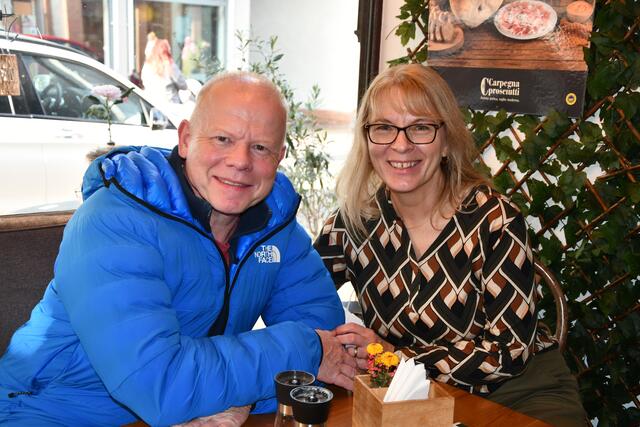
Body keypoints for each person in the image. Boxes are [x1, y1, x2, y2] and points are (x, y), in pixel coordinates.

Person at [0, 71, 357, 426]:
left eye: (260, 147)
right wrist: (290, 357)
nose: (240, 161)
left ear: (279, 157)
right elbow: (159, 384)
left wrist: (236, 393)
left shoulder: (276, 226)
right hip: (47, 411)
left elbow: (328, 344)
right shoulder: (115, 222)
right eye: (222, 139)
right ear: (186, 139)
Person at [313, 64, 586, 426]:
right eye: (384, 128)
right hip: (408, 395)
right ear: (367, 140)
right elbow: (296, 294)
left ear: (446, 140)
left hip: (518, 392)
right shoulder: (353, 222)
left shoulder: (495, 221)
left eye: (420, 127)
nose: (401, 145)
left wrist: (396, 358)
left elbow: (509, 352)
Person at [141, 37, 188, 104]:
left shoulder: (147, 66)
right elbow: (183, 86)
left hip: (151, 105)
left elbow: (144, 83)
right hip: (171, 106)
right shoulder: (170, 66)